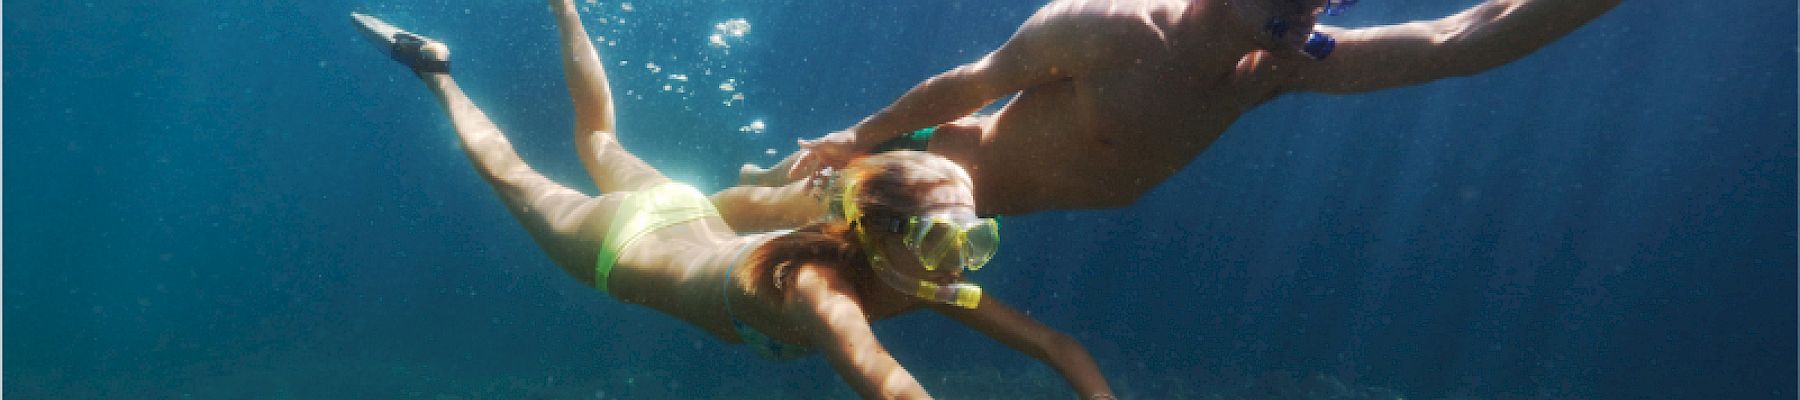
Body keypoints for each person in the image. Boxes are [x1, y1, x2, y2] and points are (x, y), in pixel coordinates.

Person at [351, 2, 1117, 399]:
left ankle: (563, 6)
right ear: (885, 236)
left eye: (975, 241)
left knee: (597, 145)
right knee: (515, 175)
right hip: (619, 245)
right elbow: (888, 382)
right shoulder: (822, 292)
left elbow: (1055, 345)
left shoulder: (899, 266)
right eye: (950, 242)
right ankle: (436, 73)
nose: (961, 264)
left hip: (688, 214)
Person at [748, 0, 1623, 216]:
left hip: (1016, 209)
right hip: (948, 177)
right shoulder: (1110, 26)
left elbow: (1464, 37)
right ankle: (726, 193)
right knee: (773, 215)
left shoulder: (1275, 67)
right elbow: (976, 80)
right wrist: (856, 137)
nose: (1316, 15)